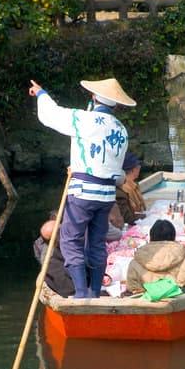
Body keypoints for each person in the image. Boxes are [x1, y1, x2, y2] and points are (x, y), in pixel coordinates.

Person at [29, 77, 135, 298]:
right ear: (115, 104)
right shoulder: (122, 130)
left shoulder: (84, 119)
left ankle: (80, 293)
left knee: (71, 240)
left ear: (94, 98)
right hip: (106, 195)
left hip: (83, 192)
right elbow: (116, 173)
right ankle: (94, 291)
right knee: (97, 242)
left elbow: (52, 115)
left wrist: (41, 94)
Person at [126, 218, 185, 295]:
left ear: (151, 238)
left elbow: (134, 293)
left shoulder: (135, 263)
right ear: (174, 237)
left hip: (150, 314)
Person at [116, 152, 146, 226]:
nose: (140, 168)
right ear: (133, 170)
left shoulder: (134, 184)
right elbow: (132, 213)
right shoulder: (126, 188)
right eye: (138, 167)